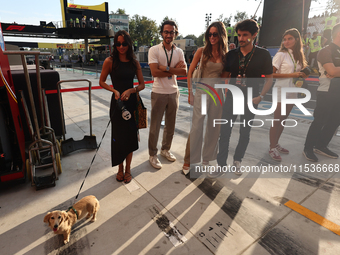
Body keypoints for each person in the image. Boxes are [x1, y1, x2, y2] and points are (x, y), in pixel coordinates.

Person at [217, 19, 273, 174]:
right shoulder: (231, 55)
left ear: (254, 35)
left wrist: (260, 97)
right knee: (225, 131)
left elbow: (269, 79)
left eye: (245, 35)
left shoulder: (263, 54)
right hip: (232, 98)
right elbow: (224, 76)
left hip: (251, 98)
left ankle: (237, 160)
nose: (241, 38)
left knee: (245, 132)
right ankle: (221, 164)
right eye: (239, 35)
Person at [182, 21, 228, 175]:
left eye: (215, 34)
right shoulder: (201, 51)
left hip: (218, 93)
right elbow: (189, 73)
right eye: (209, 34)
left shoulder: (224, 54)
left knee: (214, 127)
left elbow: (224, 77)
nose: (212, 37)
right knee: (196, 127)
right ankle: (191, 160)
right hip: (202, 90)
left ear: (221, 35)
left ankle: (207, 158)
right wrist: (190, 92)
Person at [99, 30, 145, 183]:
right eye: (118, 44)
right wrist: (114, 90)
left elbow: (142, 84)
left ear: (129, 44)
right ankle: (119, 169)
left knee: (131, 137)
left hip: (131, 103)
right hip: (117, 104)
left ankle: (128, 169)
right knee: (118, 138)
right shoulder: (110, 61)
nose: (121, 47)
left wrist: (132, 90)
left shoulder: (134, 62)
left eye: (124, 43)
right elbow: (102, 81)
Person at [148, 20, 187, 169]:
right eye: (166, 31)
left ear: (175, 33)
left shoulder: (179, 52)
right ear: (162, 33)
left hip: (173, 91)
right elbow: (154, 72)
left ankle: (165, 149)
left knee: (170, 125)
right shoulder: (154, 50)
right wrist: (172, 69)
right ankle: (152, 154)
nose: (169, 34)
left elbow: (184, 71)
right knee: (155, 126)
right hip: (158, 92)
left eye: (172, 32)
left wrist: (164, 67)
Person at [269, 28, 308, 161]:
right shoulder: (281, 54)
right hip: (281, 90)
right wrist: (292, 74)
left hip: (293, 91)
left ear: (297, 40)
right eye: (285, 39)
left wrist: (302, 75)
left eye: (289, 38)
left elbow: (299, 73)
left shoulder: (299, 55)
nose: (286, 41)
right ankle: (272, 147)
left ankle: (276, 143)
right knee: (277, 119)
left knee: (283, 119)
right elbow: (271, 74)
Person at [303, 23, 340, 162]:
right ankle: (308, 147)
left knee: (335, 121)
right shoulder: (326, 51)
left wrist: (336, 71)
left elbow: (336, 71)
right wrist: (334, 72)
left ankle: (321, 145)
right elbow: (331, 71)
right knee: (320, 120)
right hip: (327, 91)